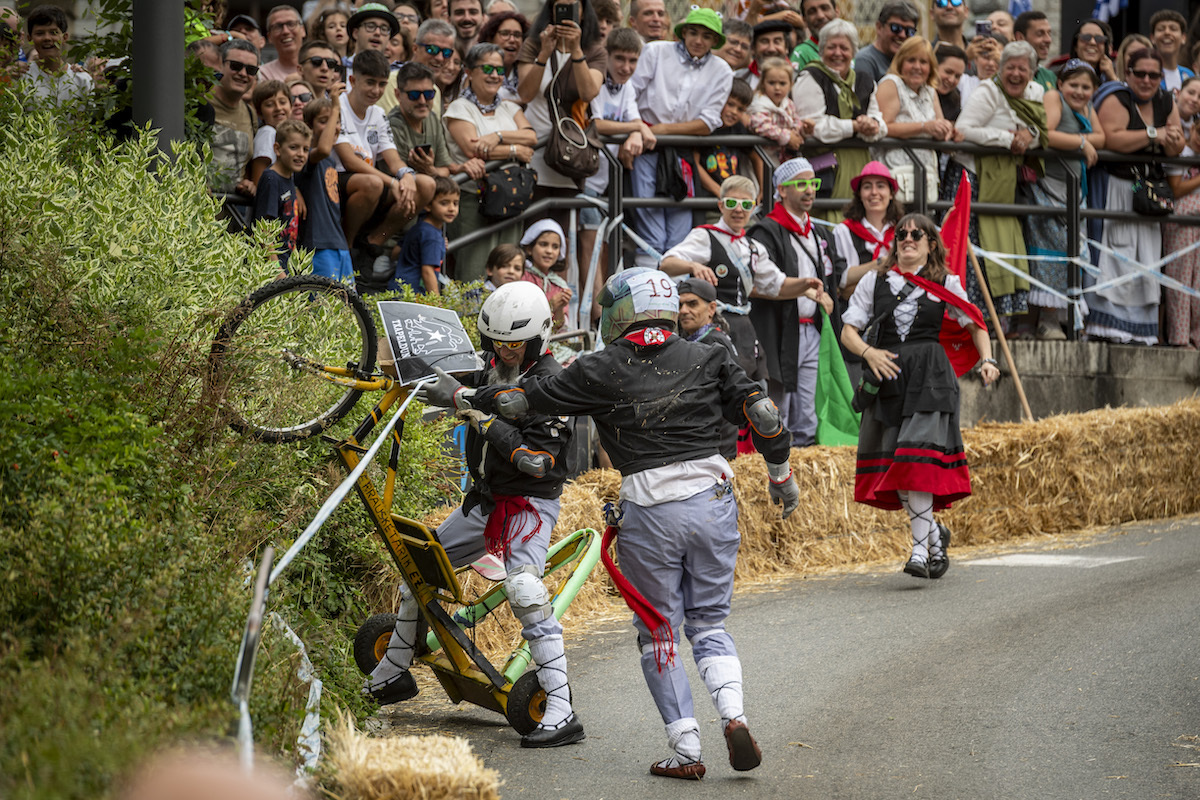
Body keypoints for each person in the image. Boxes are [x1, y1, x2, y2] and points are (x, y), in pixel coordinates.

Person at [416, 267, 801, 779]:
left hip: (650, 508)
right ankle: (734, 714)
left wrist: (461, 398)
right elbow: (766, 416)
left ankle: (686, 749)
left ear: (620, 313)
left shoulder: (599, 367)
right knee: (710, 624)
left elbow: (516, 401)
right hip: (714, 499)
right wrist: (781, 476)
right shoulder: (710, 355)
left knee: (659, 633)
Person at [371, 282, 586, 750]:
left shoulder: (552, 383)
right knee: (417, 567)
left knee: (525, 589)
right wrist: (394, 365)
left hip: (528, 505)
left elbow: (538, 463)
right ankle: (393, 672)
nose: (504, 352)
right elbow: (440, 378)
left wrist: (481, 417)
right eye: (496, 342)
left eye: (515, 344)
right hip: (484, 500)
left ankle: (562, 707)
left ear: (538, 338)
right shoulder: (489, 366)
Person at [840, 213, 999, 579]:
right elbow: (849, 331)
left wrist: (988, 359)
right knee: (896, 466)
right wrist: (868, 353)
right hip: (889, 375)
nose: (907, 238)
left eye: (916, 234)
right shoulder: (874, 280)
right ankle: (934, 536)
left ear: (931, 244)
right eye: (901, 234)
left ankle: (919, 551)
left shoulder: (946, 282)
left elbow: (975, 322)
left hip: (931, 377)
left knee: (916, 460)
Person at [662, 174, 824, 390]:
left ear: (753, 208)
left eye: (746, 204)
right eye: (732, 203)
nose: (738, 210)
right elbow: (666, 263)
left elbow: (778, 285)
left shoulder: (754, 247)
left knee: (755, 389)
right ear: (720, 205)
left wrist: (806, 284)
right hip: (712, 328)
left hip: (744, 328)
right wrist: (692, 266)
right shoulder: (705, 236)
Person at [946, 40, 1046, 337]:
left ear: (1033, 72)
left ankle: (996, 324)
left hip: (1005, 182)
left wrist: (1029, 135)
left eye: (1022, 69)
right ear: (1000, 70)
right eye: (1010, 67)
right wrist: (1006, 139)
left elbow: (1042, 130)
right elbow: (964, 130)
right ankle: (967, 323)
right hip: (972, 177)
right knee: (971, 250)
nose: (1015, 74)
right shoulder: (988, 92)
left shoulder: (1037, 93)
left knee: (1001, 247)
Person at [1088, 47, 1185, 345]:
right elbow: (1111, 138)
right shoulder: (1117, 97)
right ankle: (1105, 328)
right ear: (1127, 73)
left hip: (1148, 191)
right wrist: (1155, 133)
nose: (1146, 80)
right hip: (1117, 186)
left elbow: (1176, 147)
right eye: (1140, 73)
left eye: (1153, 75)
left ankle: (1139, 332)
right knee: (1115, 255)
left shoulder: (1166, 100)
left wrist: (1174, 140)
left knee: (1144, 257)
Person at [748, 158, 843, 446]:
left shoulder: (818, 232)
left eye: (813, 183)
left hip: (812, 328)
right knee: (779, 401)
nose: (809, 190)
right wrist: (804, 289)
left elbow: (836, 275)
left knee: (808, 406)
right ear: (781, 190)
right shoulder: (766, 231)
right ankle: (778, 456)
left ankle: (805, 453)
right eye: (801, 184)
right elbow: (756, 284)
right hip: (780, 330)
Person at [629, 7, 733, 266]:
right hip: (646, 147)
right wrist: (638, 130)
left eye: (707, 36)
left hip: (681, 152)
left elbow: (708, 122)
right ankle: (648, 285)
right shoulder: (656, 51)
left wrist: (663, 130)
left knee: (679, 230)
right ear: (683, 32)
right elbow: (630, 94)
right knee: (649, 224)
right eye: (694, 32)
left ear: (714, 41)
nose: (698, 40)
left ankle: (676, 287)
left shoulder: (722, 70)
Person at [334, 49, 436, 285]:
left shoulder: (378, 113)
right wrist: (393, 181)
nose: (376, 91)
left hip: (370, 185)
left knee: (425, 185)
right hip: (339, 179)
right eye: (370, 83)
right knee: (373, 183)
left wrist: (406, 175)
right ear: (352, 80)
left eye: (382, 84)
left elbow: (393, 157)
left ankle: (372, 244)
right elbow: (349, 160)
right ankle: (347, 248)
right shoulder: (338, 106)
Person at [444, 42, 537, 282]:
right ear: (469, 72)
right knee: (474, 271)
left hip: (510, 196)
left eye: (499, 70)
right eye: (487, 68)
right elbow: (473, 148)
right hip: (474, 197)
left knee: (508, 266)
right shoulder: (459, 108)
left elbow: (531, 137)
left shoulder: (508, 107)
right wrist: (515, 150)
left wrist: (498, 136)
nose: (494, 75)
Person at [581, 27, 655, 321]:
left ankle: (605, 310)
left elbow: (635, 120)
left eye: (632, 60)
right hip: (584, 178)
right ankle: (595, 314)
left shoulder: (627, 88)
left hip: (606, 182)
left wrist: (636, 131)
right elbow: (597, 124)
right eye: (620, 59)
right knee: (589, 244)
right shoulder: (596, 80)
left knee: (604, 245)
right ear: (607, 56)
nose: (626, 67)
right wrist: (636, 128)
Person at [1030, 59, 1104, 340]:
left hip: (1075, 191)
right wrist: (1082, 143)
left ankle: (1069, 318)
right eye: (1073, 85)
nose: (1079, 91)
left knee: (1075, 253)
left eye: (1086, 87)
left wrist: (1086, 141)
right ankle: (1047, 319)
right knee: (1053, 251)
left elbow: (1103, 137)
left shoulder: (1086, 107)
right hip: (1049, 187)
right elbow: (1046, 134)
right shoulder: (1054, 97)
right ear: (1060, 84)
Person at [792, 19, 888, 214]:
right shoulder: (810, 77)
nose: (837, 53)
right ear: (821, 50)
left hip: (860, 166)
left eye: (844, 48)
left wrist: (872, 126)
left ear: (853, 52)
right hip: (826, 170)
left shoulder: (864, 80)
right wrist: (854, 127)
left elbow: (879, 121)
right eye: (831, 47)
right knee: (828, 219)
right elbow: (815, 126)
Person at [516, 0, 605, 208]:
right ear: (551, 10)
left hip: (571, 151)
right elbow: (525, 94)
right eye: (560, 5)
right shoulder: (534, 44)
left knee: (564, 223)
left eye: (572, 5)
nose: (566, 10)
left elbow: (588, 92)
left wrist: (576, 51)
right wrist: (544, 54)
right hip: (536, 147)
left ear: (583, 12)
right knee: (533, 221)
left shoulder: (594, 50)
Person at [874, 35, 955, 203]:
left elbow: (939, 126)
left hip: (925, 179)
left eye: (923, 62)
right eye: (911, 60)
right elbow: (882, 127)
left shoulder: (930, 91)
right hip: (893, 176)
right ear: (900, 62)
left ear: (931, 67)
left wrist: (948, 131)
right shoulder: (891, 83)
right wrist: (924, 127)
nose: (917, 67)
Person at [388, 62, 484, 185]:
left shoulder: (431, 118)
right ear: (398, 95)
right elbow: (402, 179)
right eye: (414, 95)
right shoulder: (392, 125)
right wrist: (432, 172)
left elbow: (445, 168)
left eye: (429, 94)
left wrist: (432, 170)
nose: (422, 101)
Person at [675, 277, 740, 459]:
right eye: (680, 305)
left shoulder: (715, 344)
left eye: (692, 304)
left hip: (715, 449)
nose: (683, 311)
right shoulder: (694, 341)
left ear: (711, 308)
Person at [300, 94, 354, 285]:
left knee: (348, 301)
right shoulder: (307, 158)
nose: (335, 127)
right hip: (319, 245)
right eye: (325, 121)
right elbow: (322, 149)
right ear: (309, 126)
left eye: (337, 122)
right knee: (324, 300)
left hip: (339, 244)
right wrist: (336, 107)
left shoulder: (330, 162)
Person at [832, 160, 904, 301]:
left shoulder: (904, 230)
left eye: (880, 186)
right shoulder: (843, 231)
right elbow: (843, 282)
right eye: (867, 187)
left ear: (891, 194)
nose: (874, 192)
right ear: (859, 194)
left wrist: (859, 279)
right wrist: (879, 264)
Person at [200, 39, 260, 196]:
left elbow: (246, 165)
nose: (243, 74)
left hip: (231, 208)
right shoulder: (200, 102)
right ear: (220, 65)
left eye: (251, 70)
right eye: (235, 66)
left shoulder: (250, 113)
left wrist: (247, 184)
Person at [693, 79, 765, 207]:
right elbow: (695, 164)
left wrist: (762, 189)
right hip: (707, 200)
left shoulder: (738, 129)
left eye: (740, 109)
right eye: (730, 104)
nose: (734, 112)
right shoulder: (704, 127)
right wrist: (719, 191)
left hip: (732, 200)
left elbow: (756, 157)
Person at [253, 119, 310, 275]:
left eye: (305, 149)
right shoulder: (271, 179)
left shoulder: (289, 179)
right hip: (273, 269)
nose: (301, 154)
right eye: (294, 147)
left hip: (287, 264)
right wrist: (277, 271)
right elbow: (264, 230)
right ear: (277, 149)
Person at [1164, 120, 1200, 349]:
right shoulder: (1181, 152)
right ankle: (1179, 338)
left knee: (1198, 283)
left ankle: (1197, 337)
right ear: (1193, 128)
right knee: (1180, 280)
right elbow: (1175, 188)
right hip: (1181, 224)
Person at [391, 176, 459, 294]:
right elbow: (428, 271)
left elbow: (395, 252)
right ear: (428, 205)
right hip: (414, 295)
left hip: (398, 289)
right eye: (444, 203)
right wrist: (436, 302)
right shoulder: (433, 236)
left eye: (455, 203)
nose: (451, 208)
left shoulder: (420, 228)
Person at [22, 5, 93, 104]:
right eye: (40, 33)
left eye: (53, 32)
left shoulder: (82, 80)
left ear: (65, 37)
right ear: (29, 38)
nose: (47, 38)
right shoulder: (23, 78)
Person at [747, 56, 804, 165]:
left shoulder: (789, 104)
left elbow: (796, 119)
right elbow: (760, 125)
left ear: (791, 85)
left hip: (784, 158)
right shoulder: (758, 103)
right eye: (771, 83)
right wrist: (787, 137)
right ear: (763, 83)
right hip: (762, 158)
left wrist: (797, 130)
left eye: (782, 83)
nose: (777, 88)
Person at [520, 219, 573, 332]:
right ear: (529, 248)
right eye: (543, 244)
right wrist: (550, 306)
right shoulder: (522, 278)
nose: (549, 251)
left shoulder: (560, 286)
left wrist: (559, 308)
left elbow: (558, 328)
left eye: (555, 247)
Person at [854, 1, 919, 84]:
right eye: (896, 28)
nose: (902, 35)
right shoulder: (865, 61)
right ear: (879, 27)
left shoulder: (913, 62)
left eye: (909, 31)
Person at [476, 10, 530, 101]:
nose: (512, 40)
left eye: (517, 35)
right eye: (505, 34)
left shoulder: (528, 71)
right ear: (490, 39)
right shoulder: (478, 68)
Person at [249, 79, 293, 186]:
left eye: (282, 102)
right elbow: (259, 181)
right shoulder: (268, 133)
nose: (278, 108)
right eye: (269, 105)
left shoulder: (281, 135)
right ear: (259, 113)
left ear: (291, 106)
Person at [1061, 19, 1117, 85]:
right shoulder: (1062, 75)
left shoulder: (1117, 74)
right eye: (1086, 37)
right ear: (1075, 46)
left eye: (1099, 38)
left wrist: (1112, 78)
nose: (1092, 42)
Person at [259, 5, 306, 82]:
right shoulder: (263, 74)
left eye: (291, 24)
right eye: (278, 26)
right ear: (269, 37)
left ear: (303, 30)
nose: (285, 31)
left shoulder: (321, 66)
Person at [742, 19, 792, 90]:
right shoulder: (738, 78)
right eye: (764, 41)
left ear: (786, 47)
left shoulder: (798, 79)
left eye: (777, 41)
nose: (771, 49)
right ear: (753, 48)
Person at [790, 0, 840, 71]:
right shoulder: (801, 54)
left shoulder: (849, 49)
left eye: (825, 8)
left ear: (836, 12)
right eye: (812, 12)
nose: (820, 16)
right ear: (804, 20)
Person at [1012, 10, 1055, 92]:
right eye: (1040, 34)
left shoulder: (1050, 76)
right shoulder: (1010, 76)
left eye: (1049, 33)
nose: (1048, 39)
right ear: (1020, 38)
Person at [1152, 11, 1193, 93]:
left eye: (1173, 29)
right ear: (1152, 38)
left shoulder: (1189, 75)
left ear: (1183, 38)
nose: (1167, 32)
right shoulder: (1145, 75)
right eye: (1161, 29)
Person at [933, 42, 967, 122]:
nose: (951, 80)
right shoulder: (917, 91)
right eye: (948, 72)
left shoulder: (955, 98)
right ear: (934, 66)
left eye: (957, 76)